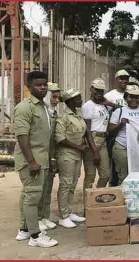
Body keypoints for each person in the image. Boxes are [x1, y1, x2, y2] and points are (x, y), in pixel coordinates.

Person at [14, 71, 58, 247]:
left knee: (28, 195)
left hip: (42, 159)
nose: (43, 88)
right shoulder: (25, 107)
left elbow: (45, 137)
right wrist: (31, 161)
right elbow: (22, 136)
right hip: (31, 161)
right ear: (29, 87)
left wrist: (50, 159)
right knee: (33, 197)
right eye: (38, 85)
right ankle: (35, 236)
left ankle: (24, 230)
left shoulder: (43, 107)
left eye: (44, 85)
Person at [54, 89, 87, 228]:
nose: (80, 100)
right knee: (65, 184)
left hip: (76, 155)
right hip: (66, 154)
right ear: (69, 102)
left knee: (73, 183)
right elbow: (60, 138)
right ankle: (63, 216)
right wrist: (78, 147)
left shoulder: (78, 115)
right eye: (77, 98)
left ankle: (69, 211)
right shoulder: (64, 117)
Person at [108, 85, 139, 184]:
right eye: (131, 97)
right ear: (126, 97)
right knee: (123, 176)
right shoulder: (119, 111)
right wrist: (120, 124)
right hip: (122, 147)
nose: (134, 99)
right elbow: (110, 129)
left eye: (137, 97)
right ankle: (124, 198)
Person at [82, 79, 111, 194]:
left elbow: (118, 108)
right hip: (92, 140)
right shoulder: (87, 106)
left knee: (105, 175)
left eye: (101, 90)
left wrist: (108, 103)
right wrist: (94, 151)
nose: (99, 92)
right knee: (90, 175)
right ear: (91, 89)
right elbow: (87, 130)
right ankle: (87, 203)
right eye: (96, 90)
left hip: (103, 139)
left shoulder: (103, 105)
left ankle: (97, 198)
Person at [39, 82, 60, 232]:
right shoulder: (42, 112)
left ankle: (45, 216)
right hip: (41, 155)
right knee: (39, 189)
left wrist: (53, 157)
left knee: (48, 188)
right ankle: (37, 218)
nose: (56, 99)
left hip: (51, 154)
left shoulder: (54, 112)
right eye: (53, 95)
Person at [104, 69, 129, 187]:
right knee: (114, 165)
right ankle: (113, 188)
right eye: (121, 78)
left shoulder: (131, 94)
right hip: (114, 134)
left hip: (129, 135)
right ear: (116, 80)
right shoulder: (109, 95)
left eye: (126, 78)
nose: (124, 80)